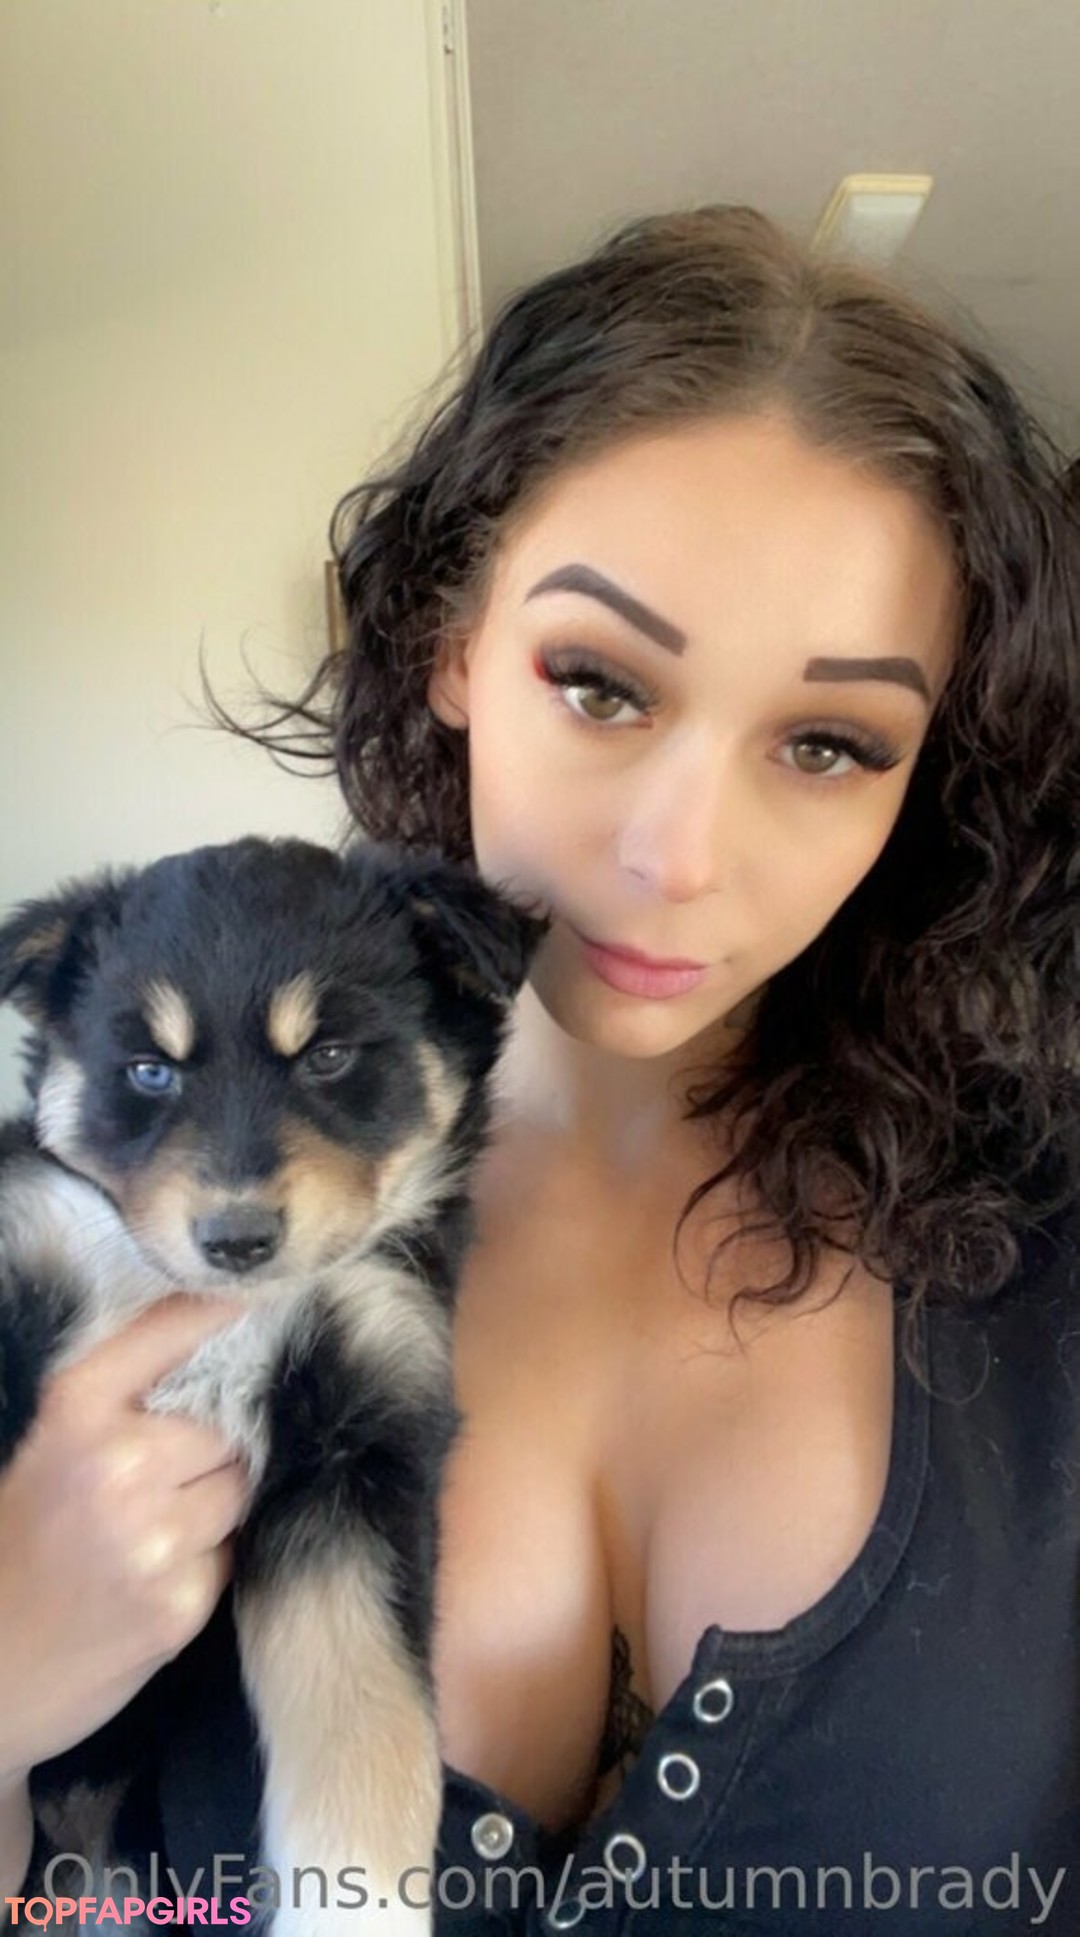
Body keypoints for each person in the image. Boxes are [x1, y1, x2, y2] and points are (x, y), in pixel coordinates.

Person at [1, 205, 1077, 1933]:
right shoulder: (100, 1234)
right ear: (450, 638)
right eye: (601, 684)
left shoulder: (1047, 1252)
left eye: (828, 741)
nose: (678, 854)